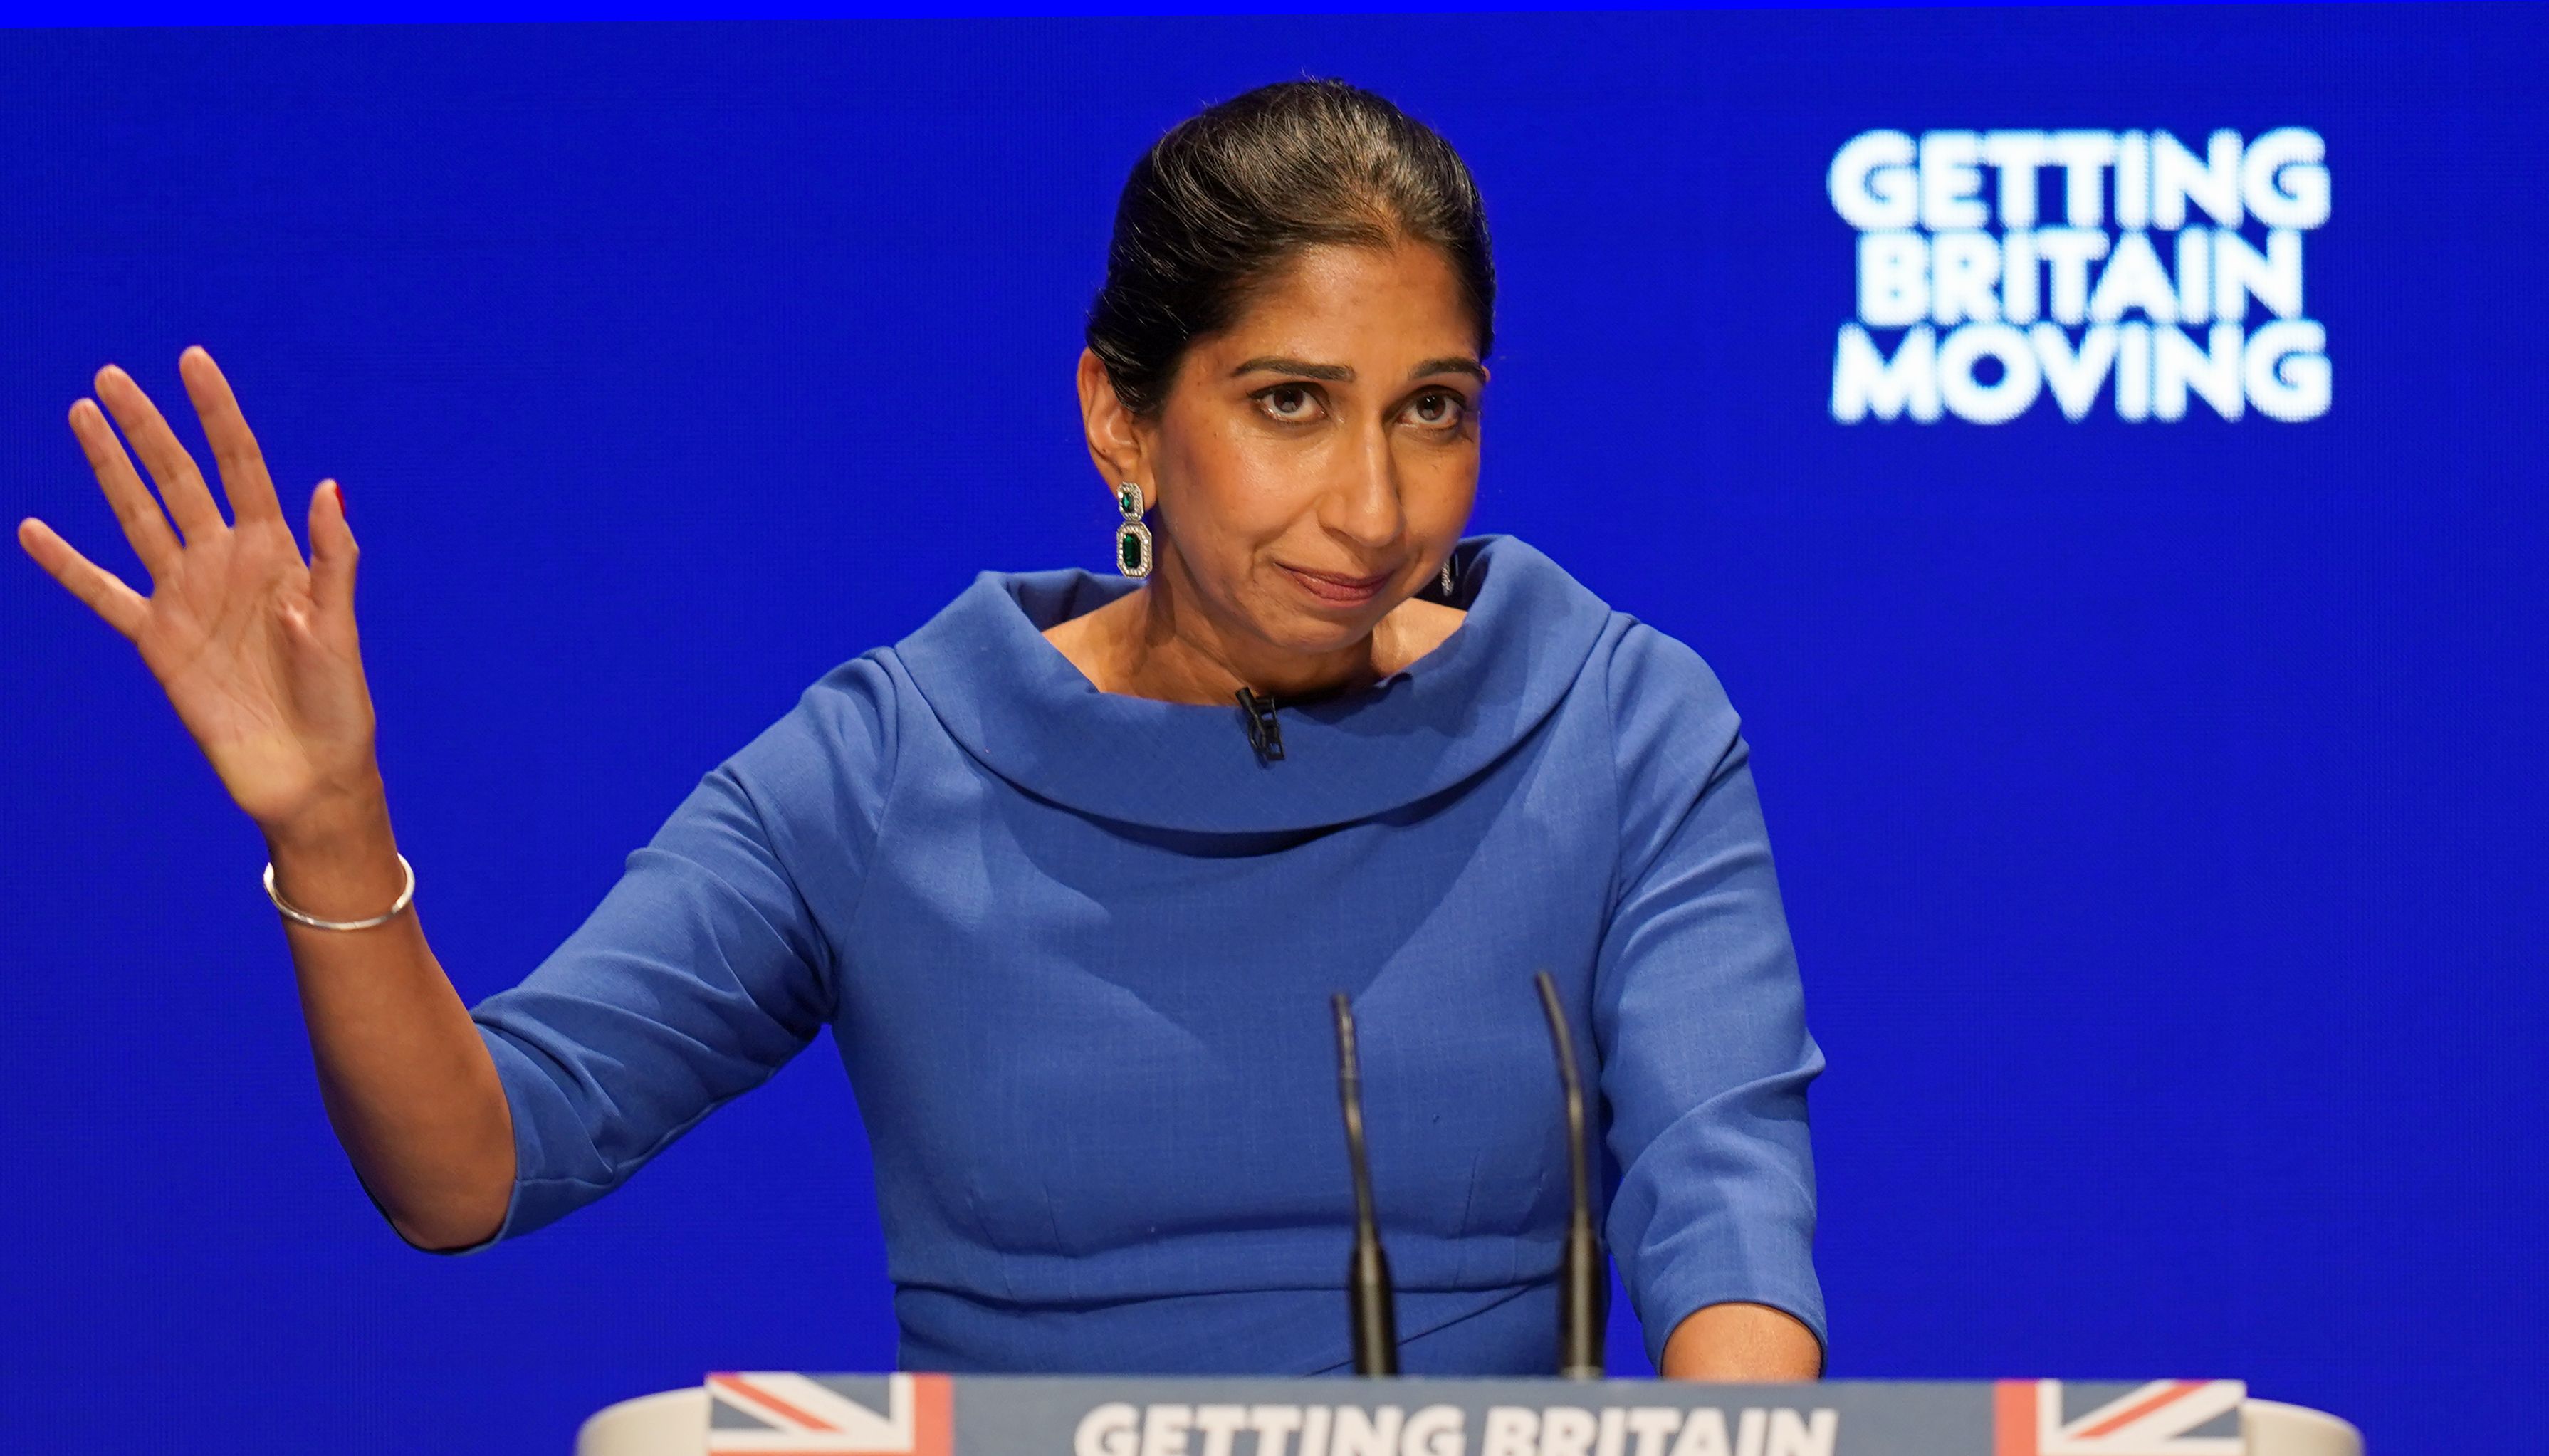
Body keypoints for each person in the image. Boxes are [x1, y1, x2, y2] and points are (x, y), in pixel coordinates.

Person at [16, 79, 1824, 1380]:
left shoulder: (1615, 720)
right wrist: (330, 827)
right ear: (1119, 420)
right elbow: (467, 1166)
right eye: (1289, 403)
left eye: (1431, 409)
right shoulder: (895, 763)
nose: (1370, 504)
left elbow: (1718, 1191)